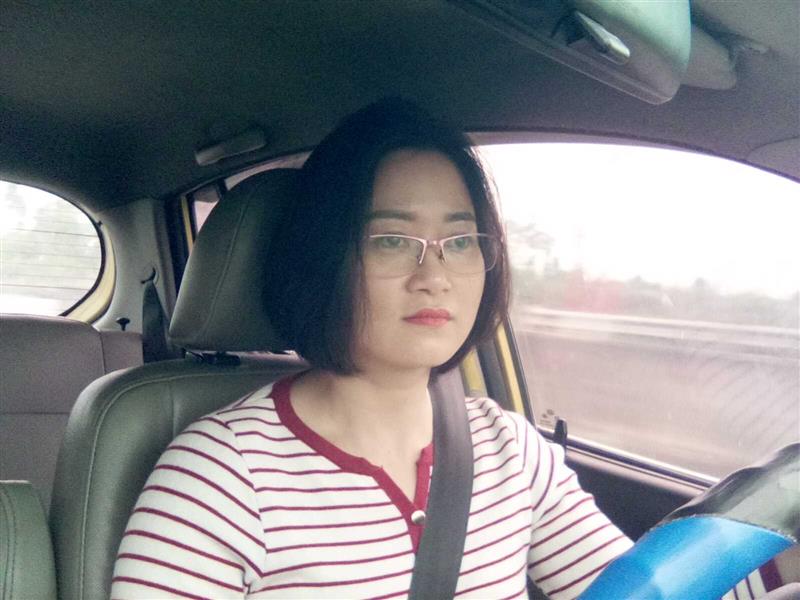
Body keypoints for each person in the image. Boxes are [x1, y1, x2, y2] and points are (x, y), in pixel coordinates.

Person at [111, 99, 792, 599]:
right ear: (323, 259)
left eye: (461, 241)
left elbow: (633, 592)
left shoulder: (509, 450)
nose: (434, 273)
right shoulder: (221, 473)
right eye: (392, 240)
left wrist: (779, 564)